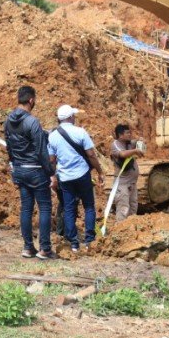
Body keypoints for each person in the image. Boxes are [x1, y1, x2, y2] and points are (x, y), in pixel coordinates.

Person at [4, 85, 57, 259]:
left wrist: (14, 167)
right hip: (35, 171)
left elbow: (9, 147)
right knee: (44, 207)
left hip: (19, 169)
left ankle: (28, 247)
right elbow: (42, 151)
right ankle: (45, 249)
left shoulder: (8, 121)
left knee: (26, 208)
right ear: (31, 100)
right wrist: (51, 172)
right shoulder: (32, 122)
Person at [47, 105, 105, 252]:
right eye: (73, 115)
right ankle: (89, 240)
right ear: (70, 117)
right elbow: (91, 154)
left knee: (69, 208)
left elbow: (52, 160)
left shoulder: (53, 136)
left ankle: (73, 243)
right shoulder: (80, 132)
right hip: (82, 174)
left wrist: (52, 176)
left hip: (65, 177)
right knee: (89, 207)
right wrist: (100, 171)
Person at [110, 124, 144, 222]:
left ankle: (130, 230)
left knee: (133, 208)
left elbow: (137, 141)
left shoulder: (129, 143)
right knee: (123, 209)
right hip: (122, 185)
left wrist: (141, 140)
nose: (130, 135)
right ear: (120, 135)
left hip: (132, 184)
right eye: (127, 133)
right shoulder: (115, 144)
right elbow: (122, 154)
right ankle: (120, 230)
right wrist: (135, 151)